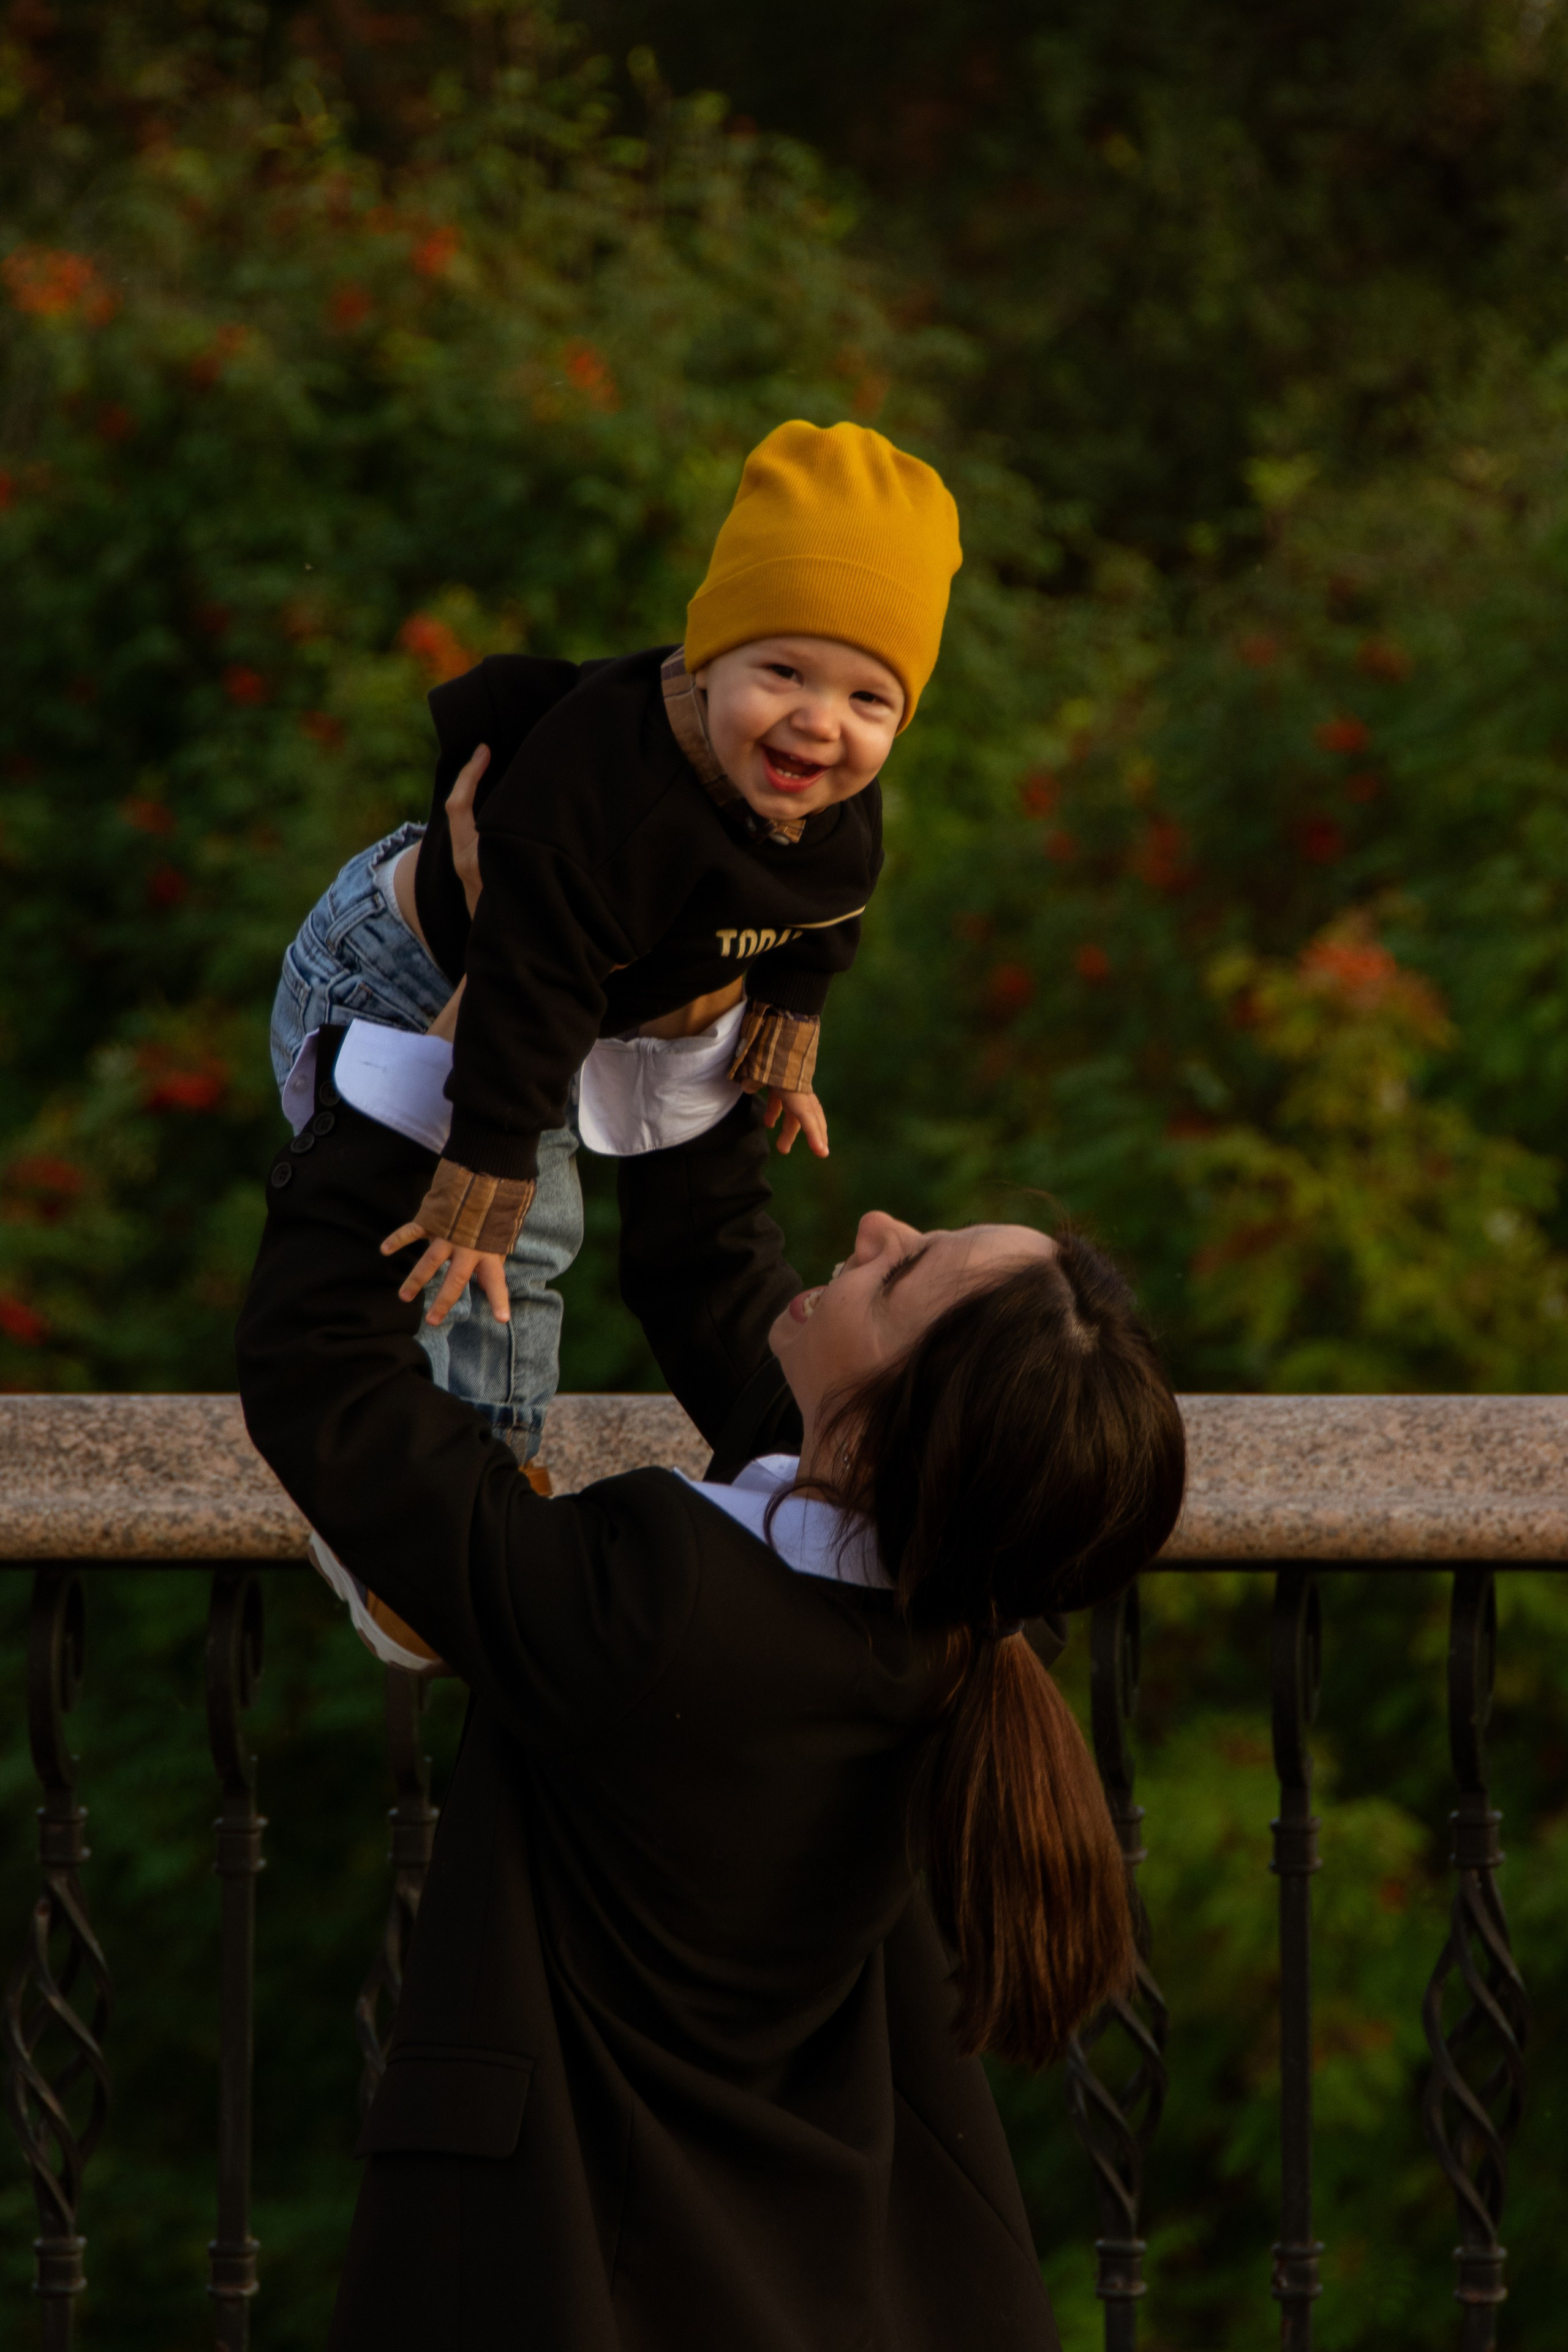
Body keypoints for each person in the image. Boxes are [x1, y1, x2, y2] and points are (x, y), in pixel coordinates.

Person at [236, 1008, 1186, 2350]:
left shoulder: (670, 1611)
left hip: (575, 2270)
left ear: (900, 1426)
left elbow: (327, 1384)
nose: (870, 1229)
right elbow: (706, 1267)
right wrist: (694, 988)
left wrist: (434, 1069)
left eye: (901, 1276)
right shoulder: (940, 1612)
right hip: (796, 2272)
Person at [268, 418, 963, 1469]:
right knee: (508, 1232)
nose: (822, 724)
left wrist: (784, 1042)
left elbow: (821, 921)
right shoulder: (610, 787)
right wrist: (486, 1164)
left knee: (712, 1241)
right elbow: (531, 981)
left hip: (629, 993)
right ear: (709, 653)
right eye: (783, 671)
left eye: (869, 699)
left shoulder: (834, 808)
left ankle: (822, 1468)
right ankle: (464, 1482)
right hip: (431, 971)